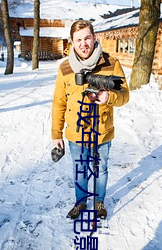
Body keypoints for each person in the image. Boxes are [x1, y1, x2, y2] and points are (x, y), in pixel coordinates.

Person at [51, 20, 129, 220]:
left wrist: (109, 97)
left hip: (102, 131)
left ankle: (99, 201)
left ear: (94, 38)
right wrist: (56, 134)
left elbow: (125, 95)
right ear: (72, 42)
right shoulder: (65, 68)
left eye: (87, 38)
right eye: (78, 40)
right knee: (80, 169)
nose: (83, 43)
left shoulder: (111, 64)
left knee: (100, 168)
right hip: (76, 133)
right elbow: (59, 102)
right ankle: (81, 202)